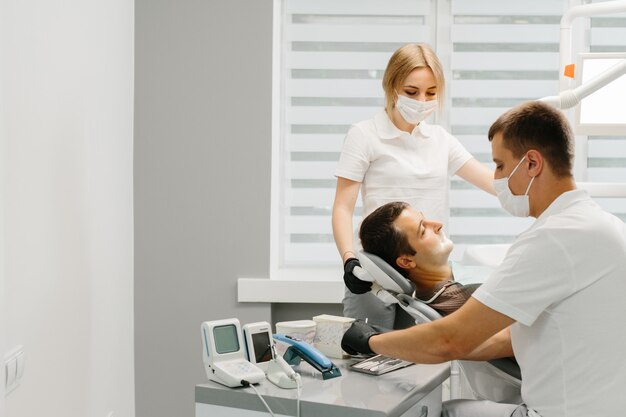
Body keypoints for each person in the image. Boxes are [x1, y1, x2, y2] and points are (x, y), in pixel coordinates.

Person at [341, 101, 626, 417]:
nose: (496, 178)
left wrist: (370, 343)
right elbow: (507, 339)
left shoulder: (552, 238)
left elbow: (450, 340)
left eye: (501, 166)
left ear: (532, 163)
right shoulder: (602, 224)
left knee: (442, 412)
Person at [332, 43, 495, 328]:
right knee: (369, 356)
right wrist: (349, 260)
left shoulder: (440, 140)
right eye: (411, 92)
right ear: (392, 86)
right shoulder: (365, 135)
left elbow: (494, 183)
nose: (422, 100)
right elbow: (343, 208)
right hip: (376, 272)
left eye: (431, 93)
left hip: (426, 274)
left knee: (422, 361)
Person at [359, 201, 482, 317]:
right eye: (423, 230)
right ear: (407, 261)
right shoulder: (464, 299)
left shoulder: (431, 293)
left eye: (425, 219)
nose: (438, 224)